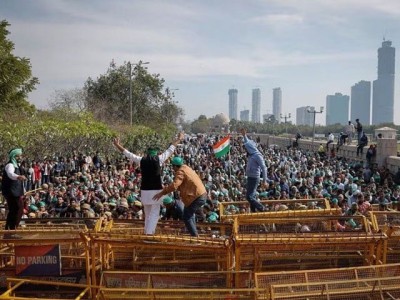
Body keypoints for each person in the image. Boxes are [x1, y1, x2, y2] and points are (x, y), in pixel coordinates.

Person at [113, 132, 184, 235]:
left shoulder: (141, 160)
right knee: (154, 214)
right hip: (156, 190)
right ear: (156, 153)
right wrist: (179, 139)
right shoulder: (159, 159)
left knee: (147, 213)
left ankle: (147, 232)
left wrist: (117, 145)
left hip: (144, 191)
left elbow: (128, 154)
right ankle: (149, 234)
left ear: (147, 153)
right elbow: (171, 149)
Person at [153, 156, 207, 237]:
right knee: (189, 214)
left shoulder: (180, 171)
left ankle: (195, 236)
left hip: (196, 196)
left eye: (172, 166)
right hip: (200, 194)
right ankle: (194, 234)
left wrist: (162, 193)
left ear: (175, 166)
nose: (172, 168)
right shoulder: (186, 168)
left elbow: (175, 185)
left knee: (186, 216)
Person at [241, 128, 268, 212]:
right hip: (250, 177)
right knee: (251, 196)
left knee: (249, 197)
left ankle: (261, 208)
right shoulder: (252, 154)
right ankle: (253, 211)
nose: (246, 149)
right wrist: (244, 135)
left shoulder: (257, 155)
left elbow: (264, 168)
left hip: (254, 178)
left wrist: (264, 180)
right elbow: (247, 142)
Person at [1, 148, 27, 238]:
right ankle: (10, 232)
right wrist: (18, 176)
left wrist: (24, 191)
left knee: (17, 210)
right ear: (14, 156)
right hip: (11, 191)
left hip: (16, 191)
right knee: (16, 209)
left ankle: (10, 231)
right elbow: (11, 175)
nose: (20, 157)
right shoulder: (10, 165)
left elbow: (19, 182)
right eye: (19, 155)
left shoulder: (17, 166)